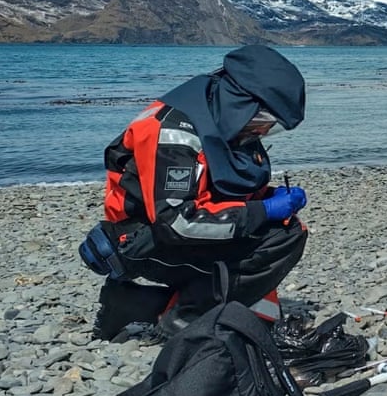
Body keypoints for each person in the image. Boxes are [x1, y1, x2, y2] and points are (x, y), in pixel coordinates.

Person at [79, 45, 310, 340]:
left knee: (287, 232)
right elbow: (177, 223)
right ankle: (184, 318)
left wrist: (272, 199)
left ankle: (134, 302)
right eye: (264, 121)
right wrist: (264, 210)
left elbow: (220, 189)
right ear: (243, 103)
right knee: (274, 241)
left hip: (175, 235)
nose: (263, 132)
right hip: (142, 242)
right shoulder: (173, 133)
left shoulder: (224, 117)